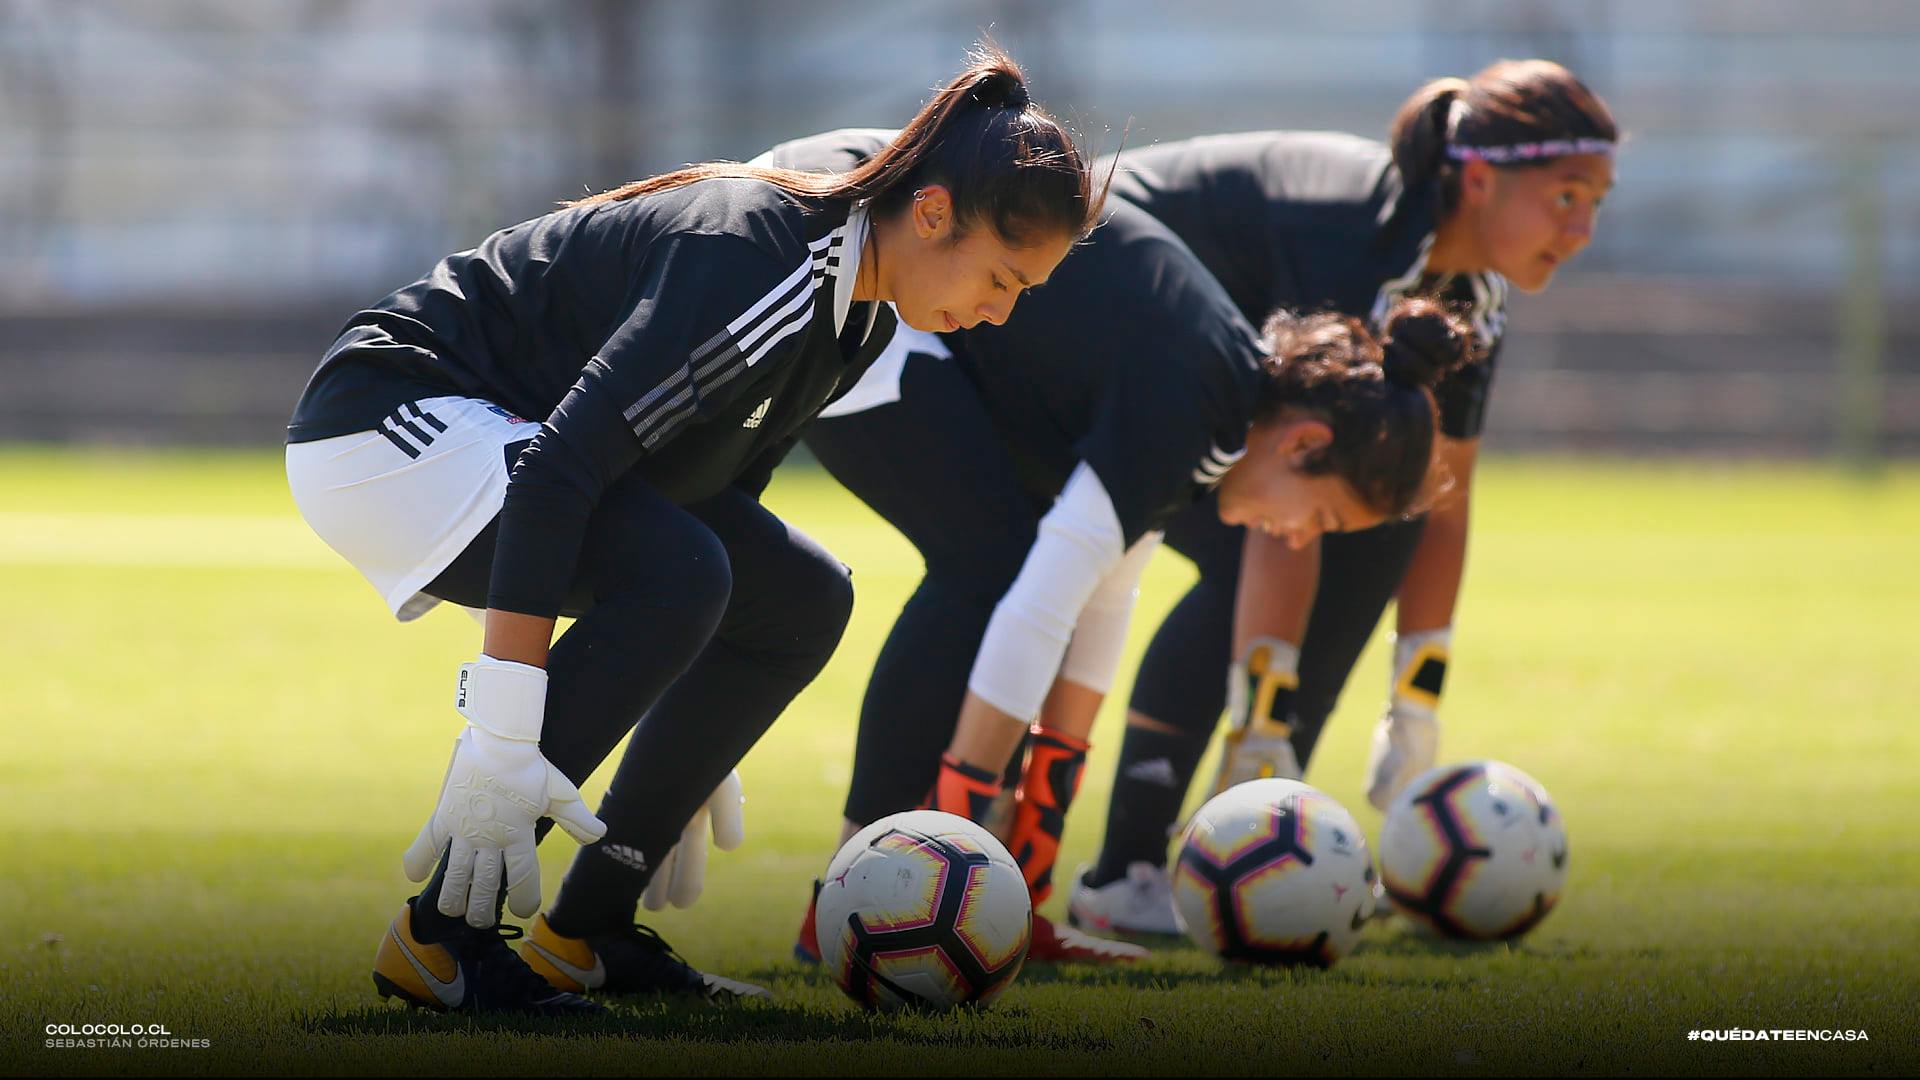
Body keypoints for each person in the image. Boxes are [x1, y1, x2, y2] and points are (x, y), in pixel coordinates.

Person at [283, 46, 1099, 1016]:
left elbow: (710, 496)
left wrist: (689, 734)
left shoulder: (859, 319)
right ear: (932, 215)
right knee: (680, 577)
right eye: (1003, 278)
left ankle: (581, 935)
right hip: (381, 422)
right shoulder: (761, 258)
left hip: (510, 447)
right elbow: (561, 473)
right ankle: (444, 946)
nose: (1000, 314)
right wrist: (502, 728)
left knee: (800, 598)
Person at [763, 122, 1477, 962]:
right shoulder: (1199, 402)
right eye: (1317, 517)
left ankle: (954, 894)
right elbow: (1044, 600)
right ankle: (850, 899)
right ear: (1303, 444)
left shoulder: (1218, 420)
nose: (1294, 538)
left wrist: (1028, 868)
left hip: (916, 311)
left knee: (1000, 565)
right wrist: (970, 824)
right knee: (986, 566)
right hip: (849, 256)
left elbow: (1105, 602)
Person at [1068, 58, 1618, 937]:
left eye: (1599, 198)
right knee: (1278, 536)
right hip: (1062, 307)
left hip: (1198, 383)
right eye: (1565, 195)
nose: (1586, 226)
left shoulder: (1472, 296)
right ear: (1478, 180)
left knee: (1376, 518)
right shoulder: (1356, 244)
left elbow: (1443, 495)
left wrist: (1417, 703)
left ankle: (1257, 836)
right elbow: (1296, 494)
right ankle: (1135, 867)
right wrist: (1261, 716)